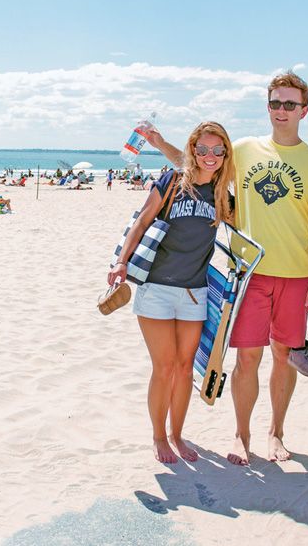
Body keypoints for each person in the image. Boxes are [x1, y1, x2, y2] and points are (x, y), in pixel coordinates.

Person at [148, 71, 308, 465]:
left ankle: (276, 433)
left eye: (290, 104)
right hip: (248, 273)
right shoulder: (247, 149)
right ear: (267, 106)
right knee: (247, 358)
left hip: (298, 274)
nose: (281, 110)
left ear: (304, 109)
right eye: (275, 103)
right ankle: (242, 434)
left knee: (283, 356)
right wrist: (159, 143)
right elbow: (199, 164)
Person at [108, 121, 236, 465]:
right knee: (163, 367)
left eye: (217, 150)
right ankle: (159, 436)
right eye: (202, 149)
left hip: (195, 293)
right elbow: (141, 221)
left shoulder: (223, 196)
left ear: (226, 155)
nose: (209, 156)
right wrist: (121, 262)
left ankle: (178, 434)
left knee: (184, 369)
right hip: (156, 289)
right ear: (193, 150)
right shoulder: (171, 182)